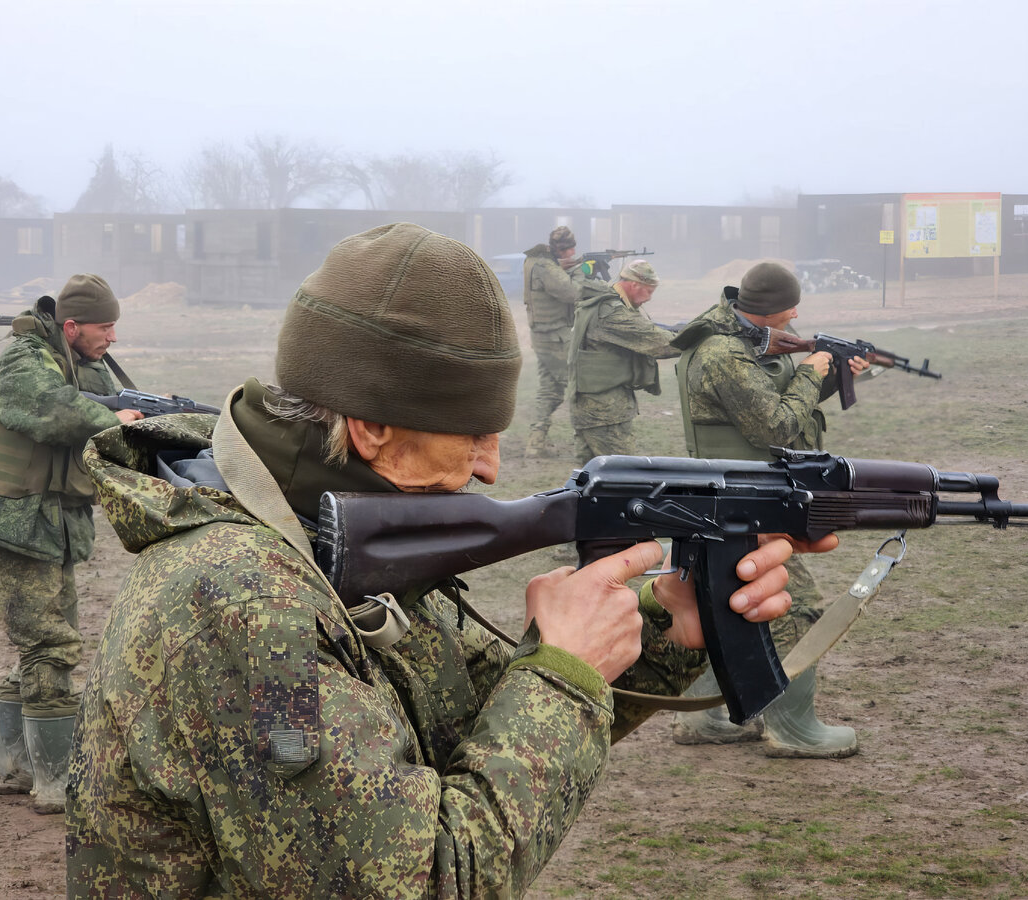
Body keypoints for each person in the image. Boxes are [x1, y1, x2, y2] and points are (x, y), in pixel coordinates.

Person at [64, 224, 832, 898]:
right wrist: (564, 672)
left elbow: (465, 727)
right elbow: (426, 876)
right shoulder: (241, 603)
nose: (490, 468)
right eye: (471, 433)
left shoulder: (327, 538)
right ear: (369, 428)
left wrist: (664, 625)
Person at [0, 274, 143, 814]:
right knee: (52, 648)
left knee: (42, 646)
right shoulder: (23, 361)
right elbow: (51, 407)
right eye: (105, 327)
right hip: (10, 525)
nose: (112, 338)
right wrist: (111, 417)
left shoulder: (77, 363)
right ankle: (57, 785)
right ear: (71, 326)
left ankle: (13, 770)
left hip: (43, 528)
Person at [669, 261, 867, 759]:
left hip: (742, 490)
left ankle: (703, 717)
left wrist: (829, 376)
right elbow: (776, 426)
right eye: (790, 307)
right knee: (797, 606)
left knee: (720, 602)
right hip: (742, 496)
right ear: (766, 309)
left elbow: (763, 404)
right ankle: (795, 728)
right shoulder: (722, 354)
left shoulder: (739, 340)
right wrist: (810, 372)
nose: (797, 314)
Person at [569, 259, 679, 464]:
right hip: (605, 414)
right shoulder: (611, 311)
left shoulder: (604, 301)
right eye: (649, 291)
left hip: (591, 408)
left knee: (589, 481)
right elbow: (660, 343)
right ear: (634, 284)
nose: (649, 298)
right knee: (622, 476)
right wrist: (698, 336)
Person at [521, 225, 581, 458]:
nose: (572, 254)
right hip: (555, 337)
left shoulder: (537, 261)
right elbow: (573, 293)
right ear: (564, 249)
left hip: (544, 337)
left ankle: (535, 443)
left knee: (550, 391)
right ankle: (588, 441)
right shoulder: (545, 266)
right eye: (570, 250)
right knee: (581, 386)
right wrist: (580, 271)